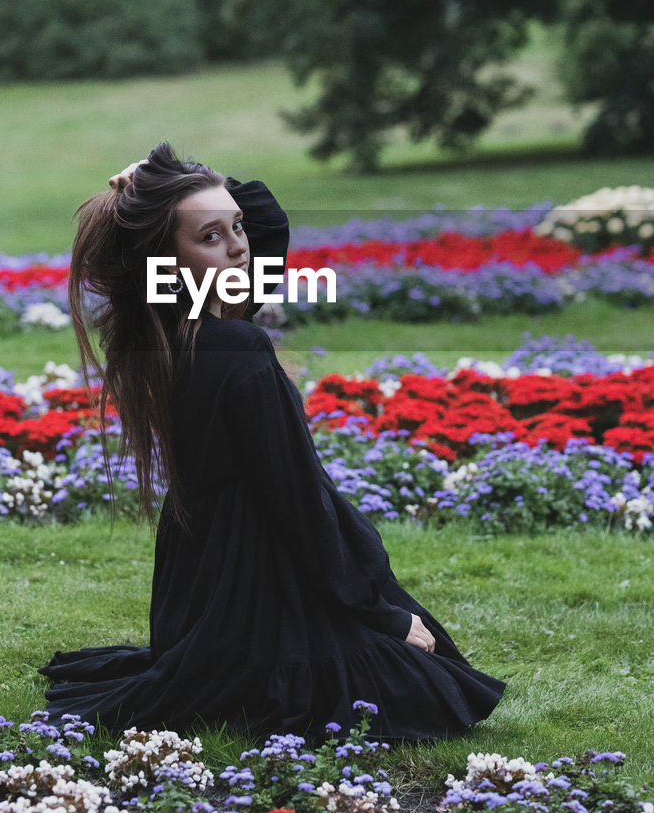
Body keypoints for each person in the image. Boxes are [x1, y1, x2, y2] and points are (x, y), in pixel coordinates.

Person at [39, 142, 505, 741]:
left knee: (421, 660)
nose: (239, 246)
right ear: (164, 258)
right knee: (426, 686)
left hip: (197, 581)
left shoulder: (162, 322)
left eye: (236, 228)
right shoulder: (237, 348)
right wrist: (380, 615)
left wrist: (179, 185)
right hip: (254, 575)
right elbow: (297, 504)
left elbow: (265, 223)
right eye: (210, 236)